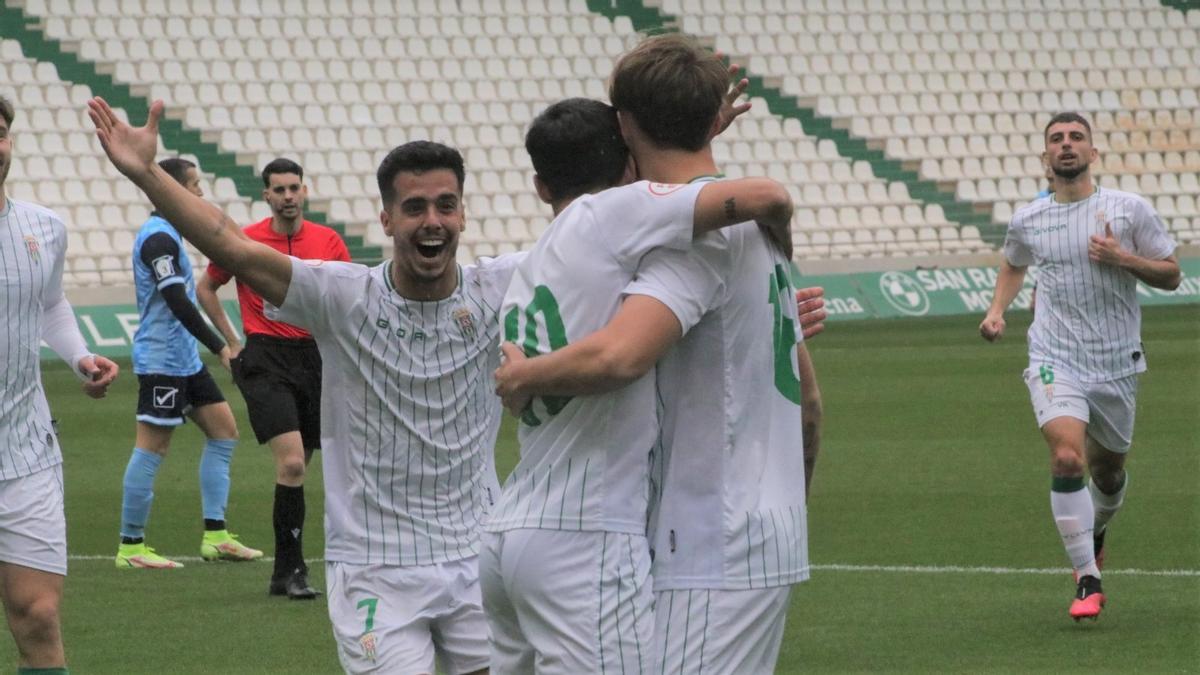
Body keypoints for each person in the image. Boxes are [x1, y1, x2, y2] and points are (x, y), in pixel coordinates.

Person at [89, 96, 814, 675]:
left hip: (476, 555)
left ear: (464, 213)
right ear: (385, 219)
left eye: (445, 205)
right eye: (414, 208)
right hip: (375, 565)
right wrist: (145, 174)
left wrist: (678, 143)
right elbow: (226, 238)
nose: (432, 222)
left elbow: (609, 232)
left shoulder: (507, 283)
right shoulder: (341, 296)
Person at [489, 35, 819, 673]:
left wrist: (522, 374)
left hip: (706, 539)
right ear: (710, 118)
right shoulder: (752, 230)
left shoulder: (691, 243)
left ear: (624, 124)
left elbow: (619, 357)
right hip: (761, 526)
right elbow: (810, 405)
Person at [980, 111, 1180, 621]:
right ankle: (1087, 576)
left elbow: (1172, 274)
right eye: (1056, 139)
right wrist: (997, 310)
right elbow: (1013, 262)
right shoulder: (1029, 219)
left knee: (1108, 473)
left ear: (1093, 153)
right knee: (1068, 460)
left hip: (1115, 362)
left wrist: (1123, 259)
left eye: (1076, 138)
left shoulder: (1128, 211)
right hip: (1054, 357)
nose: (1066, 145)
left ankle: (1095, 529)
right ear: (1045, 157)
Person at [0, 94, 119, 675]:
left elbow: (49, 305)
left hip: (24, 449)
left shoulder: (43, 229)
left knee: (39, 616)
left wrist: (80, 360)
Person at [196, 158, 350, 599]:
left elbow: (344, 296)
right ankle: (293, 569)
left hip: (316, 358)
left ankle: (284, 572)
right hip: (265, 357)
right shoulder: (247, 240)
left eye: (293, 188)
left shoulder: (328, 240)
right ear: (266, 195)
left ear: (304, 191)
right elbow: (205, 287)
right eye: (279, 189)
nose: (287, 196)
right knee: (293, 462)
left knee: (300, 467)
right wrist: (229, 343)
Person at [115, 157, 262, 569]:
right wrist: (220, 346)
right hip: (161, 359)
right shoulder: (158, 239)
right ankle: (131, 547)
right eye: (193, 185)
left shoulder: (172, 235)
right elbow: (178, 302)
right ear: (174, 191)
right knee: (153, 446)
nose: (199, 193)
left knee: (224, 431)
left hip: (182, 359)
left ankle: (216, 536)